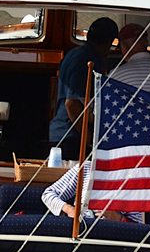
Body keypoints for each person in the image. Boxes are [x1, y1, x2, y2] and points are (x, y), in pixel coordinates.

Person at [48, 17, 118, 160]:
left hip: (62, 132)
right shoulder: (87, 61)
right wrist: (89, 140)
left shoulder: (74, 53)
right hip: (71, 137)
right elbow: (72, 103)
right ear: (109, 41)